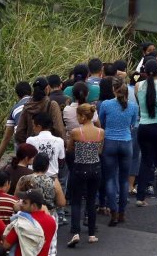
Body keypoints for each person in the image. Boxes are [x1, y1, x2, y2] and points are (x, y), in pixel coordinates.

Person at [98, 77, 136, 227]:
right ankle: (122, 212)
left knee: (110, 178)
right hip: (126, 142)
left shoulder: (106, 104)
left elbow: (102, 122)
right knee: (124, 179)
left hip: (109, 142)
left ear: (114, 90)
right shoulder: (133, 106)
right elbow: (132, 124)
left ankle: (113, 211)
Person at [66, 103, 103, 247]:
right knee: (91, 200)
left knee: (76, 201)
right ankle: (92, 234)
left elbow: (69, 149)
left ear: (82, 116)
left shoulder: (76, 132)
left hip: (79, 168)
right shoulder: (101, 132)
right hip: (95, 168)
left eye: (78, 116)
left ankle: (76, 232)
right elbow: (100, 151)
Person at [133, 59, 157, 207]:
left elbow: (139, 102)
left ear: (145, 71)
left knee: (145, 162)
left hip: (144, 126)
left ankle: (140, 197)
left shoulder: (137, 86)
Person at [3, 189, 56, 256]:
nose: (21, 205)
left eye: (25, 203)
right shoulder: (52, 221)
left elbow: (6, 245)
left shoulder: (21, 223)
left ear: (33, 206)